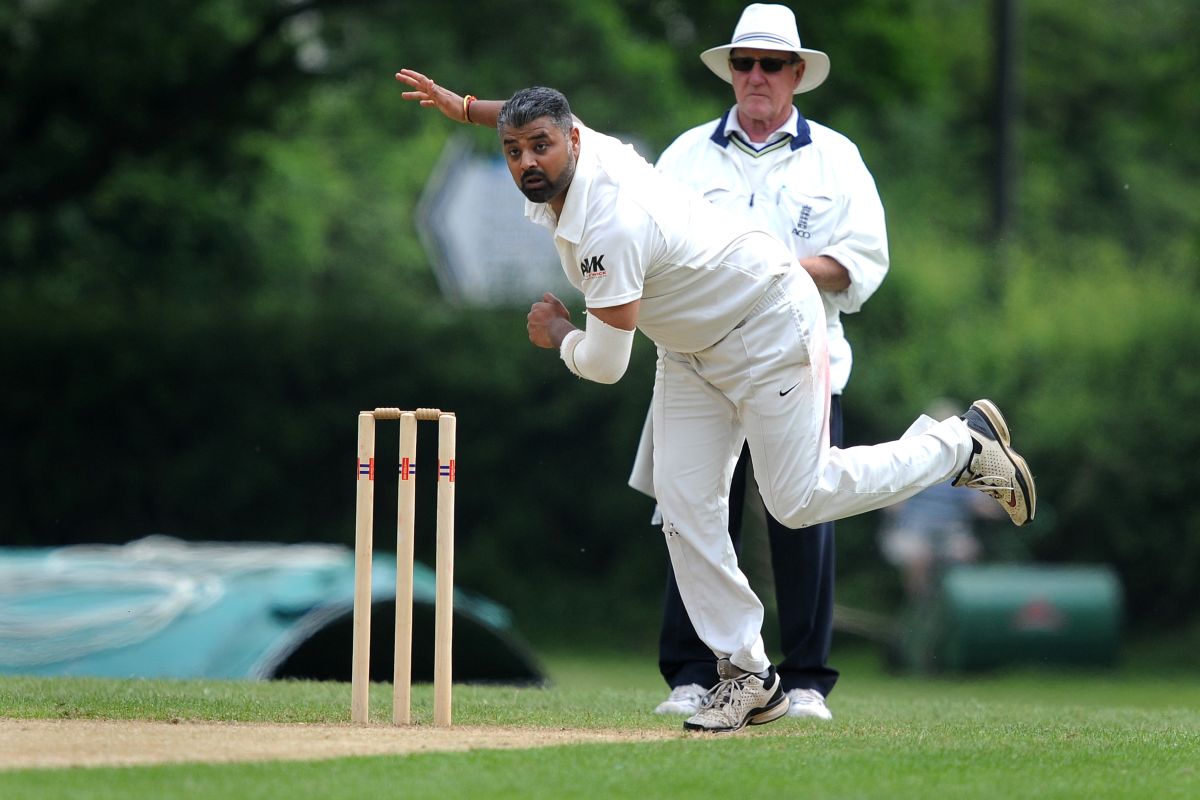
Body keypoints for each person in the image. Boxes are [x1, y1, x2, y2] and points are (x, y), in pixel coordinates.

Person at [395, 71, 1036, 733]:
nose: (527, 161)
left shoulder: (608, 225)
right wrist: (465, 108)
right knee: (682, 503)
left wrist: (559, 333)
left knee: (798, 500)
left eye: (540, 147)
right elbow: (529, 116)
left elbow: (607, 365)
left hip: (767, 321)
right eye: (513, 151)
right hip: (690, 347)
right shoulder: (587, 144)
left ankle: (959, 446)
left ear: (573, 142)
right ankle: (749, 675)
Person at [626, 3, 888, 722]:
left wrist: (767, 276)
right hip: (701, 363)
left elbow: (861, 264)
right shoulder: (686, 156)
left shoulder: (836, 158)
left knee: (801, 513)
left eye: (771, 64)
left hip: (800, 361)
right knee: (693, 513)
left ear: (797, 73)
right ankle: (694, 672)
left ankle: (804, 681)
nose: (756, 76)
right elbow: (645, 247)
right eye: (744, 63)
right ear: (731, 71)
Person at [878, 400, 1006, 601]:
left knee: (964, 552)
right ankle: (922, 605)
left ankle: (955, 605)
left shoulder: (965, 468)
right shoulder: (914, 462)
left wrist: (998, 500)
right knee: (919, 556)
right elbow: (891, 501)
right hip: (914, 530)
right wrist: (893, 502)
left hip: (951, 530)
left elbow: (984, 506)